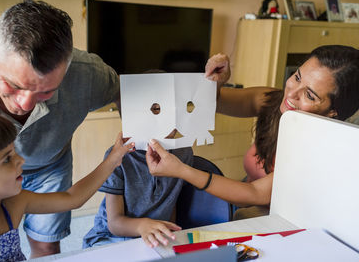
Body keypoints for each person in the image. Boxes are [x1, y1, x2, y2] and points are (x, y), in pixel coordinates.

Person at [0, 0, 119, 257]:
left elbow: (129, 93)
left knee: (47, 244)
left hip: (50, 165)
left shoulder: (89, 73)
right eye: (13, 85)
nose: (24, 104)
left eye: (45, 92)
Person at [145, 45, 359, 211]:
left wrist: (181, 170)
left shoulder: (327, 149)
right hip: (240, 208)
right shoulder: (274, 101)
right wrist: (216, 81)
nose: (292, 93)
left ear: (334, 112)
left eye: (310, 95)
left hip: (276, 220)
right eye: (297, 77)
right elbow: (214, 101)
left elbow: (256, 193)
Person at [0, 113, 134, 261]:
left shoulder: (15, 202)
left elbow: (72, 198)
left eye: (14, 153)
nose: (21, 160)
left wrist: (113, 160)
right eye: (6, 159)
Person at [83, 103, 194, 248]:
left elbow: (171, 201)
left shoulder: (184, 153)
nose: (168, 118)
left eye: (172, 109)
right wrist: (142, 226)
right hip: (112, 236)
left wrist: (166, 230)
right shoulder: (119, 157)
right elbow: (115, 223)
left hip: (156, 235)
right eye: (156, 110)